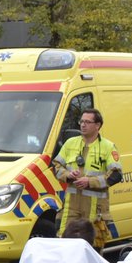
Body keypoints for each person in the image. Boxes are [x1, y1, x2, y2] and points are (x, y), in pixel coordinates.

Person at [54, 107, 121, 252]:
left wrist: (89, 182)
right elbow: (56, 166)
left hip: (95, 210)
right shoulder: (70, 143)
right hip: (71, 207)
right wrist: (68, 175)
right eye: (81, 121)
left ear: (97, 125)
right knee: (65, 245)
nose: (83, 125)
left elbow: (116, 175)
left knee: (92, 248)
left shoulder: (108, 147)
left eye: (87, 122)